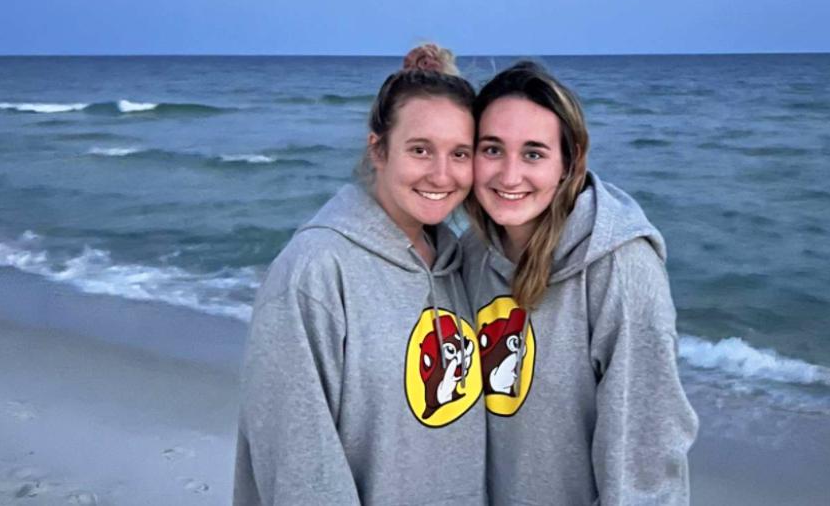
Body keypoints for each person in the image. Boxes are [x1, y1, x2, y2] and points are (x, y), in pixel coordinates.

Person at [234, 44, 486, 505]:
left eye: (460, 154)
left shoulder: (458, 265)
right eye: (420, 150)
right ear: (379, 150)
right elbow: (300, 469)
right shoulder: (313, 272)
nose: (441, 174)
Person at [461, 60, 698, 505]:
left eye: (534, 153)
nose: (509, 176)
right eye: (492, 149)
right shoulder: (472, 255)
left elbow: (644, 463)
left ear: (568, 163)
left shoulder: (620, 268)